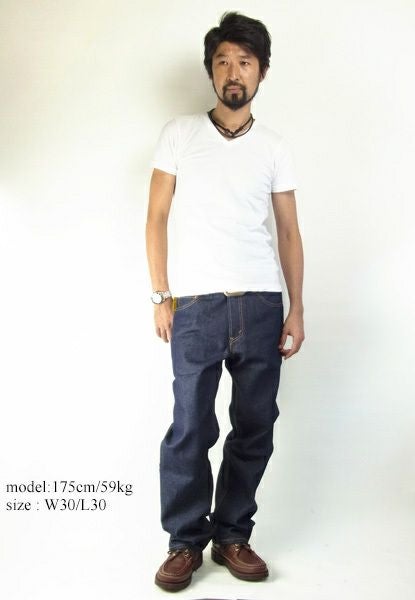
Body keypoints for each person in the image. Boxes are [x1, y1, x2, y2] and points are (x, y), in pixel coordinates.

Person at [146, 11, 305, 592]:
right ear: (210, 71)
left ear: (262, 71)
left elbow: (288, 230)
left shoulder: (274, 147)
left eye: (244, 61)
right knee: (190, 426)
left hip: (261, 304)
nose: (233, 72)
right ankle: (184, 542)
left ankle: (233, 534)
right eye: (222, 62)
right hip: (195, 307)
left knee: (255, 424)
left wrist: (296, 306)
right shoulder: (179, 134)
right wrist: (161, 294)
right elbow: (156, 217)